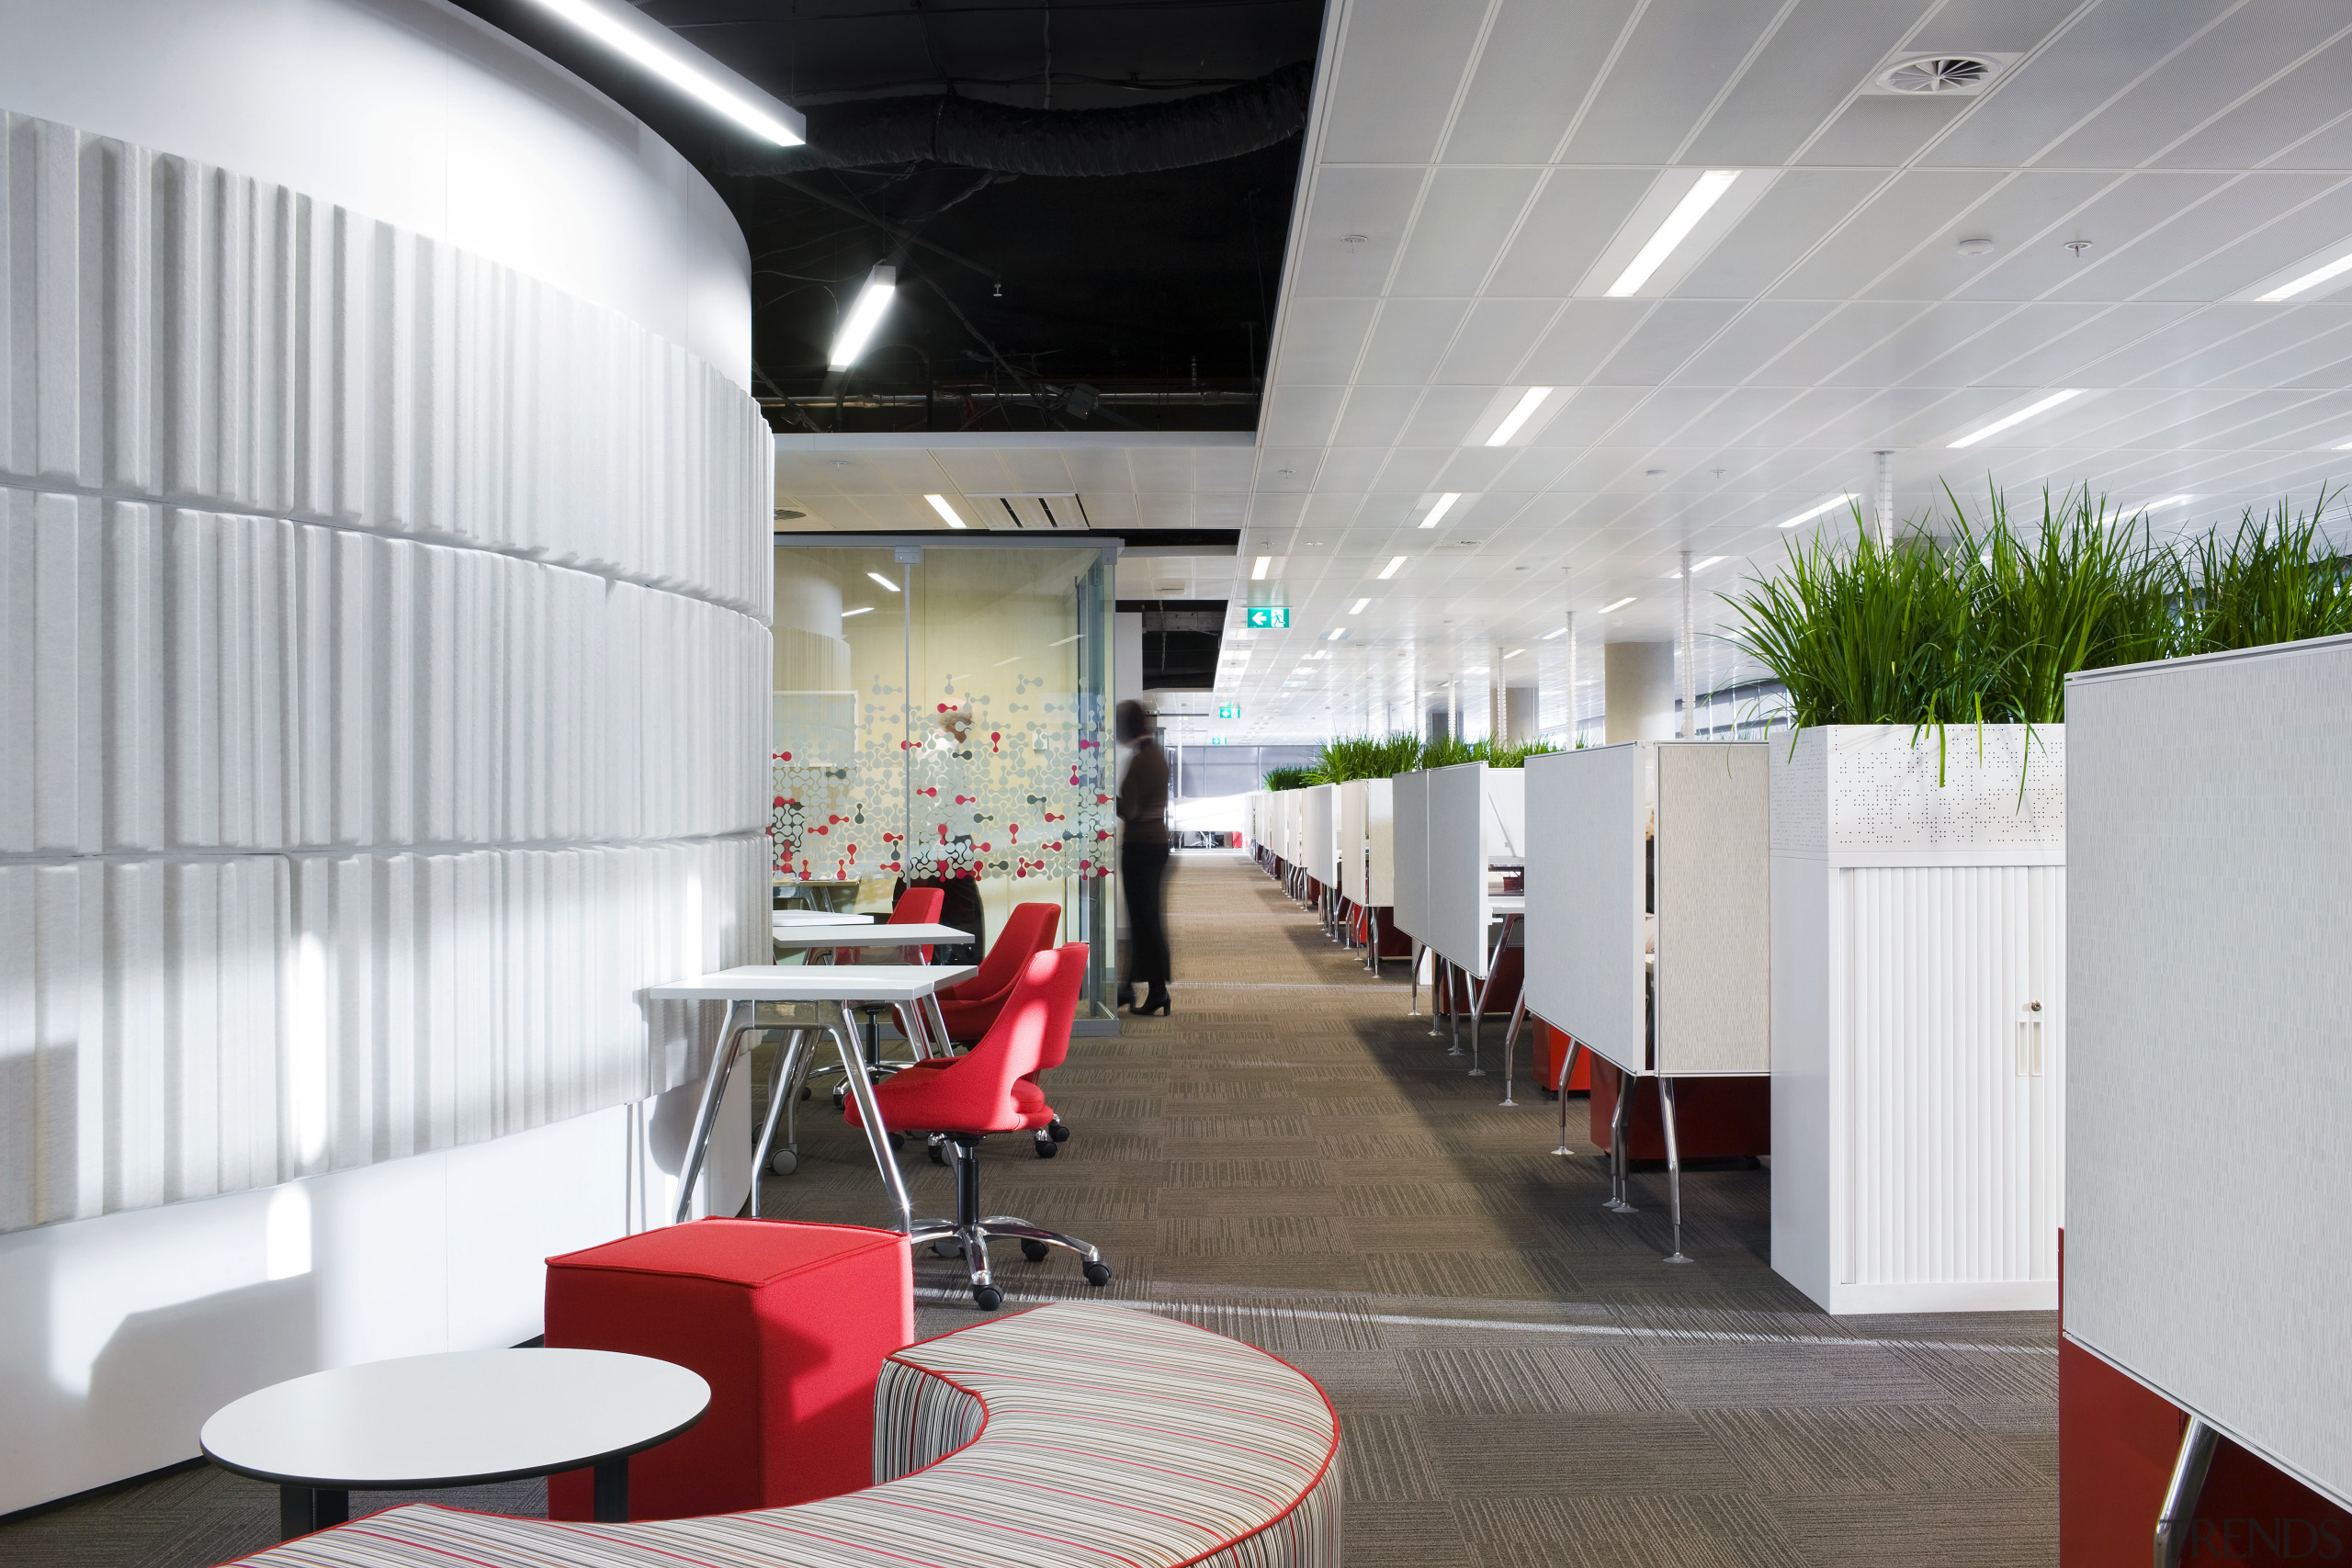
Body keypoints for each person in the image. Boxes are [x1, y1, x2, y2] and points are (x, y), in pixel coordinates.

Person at [1114, 699, 1171, 1016]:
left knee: (1144, 921)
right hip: (1154, 845)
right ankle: (1128, 986)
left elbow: (1130, 810)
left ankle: (1158, 989)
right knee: (1143, 918)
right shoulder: (1155, 755)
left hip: (1140, 848)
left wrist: (1109, 798)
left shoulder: (1140, 761)